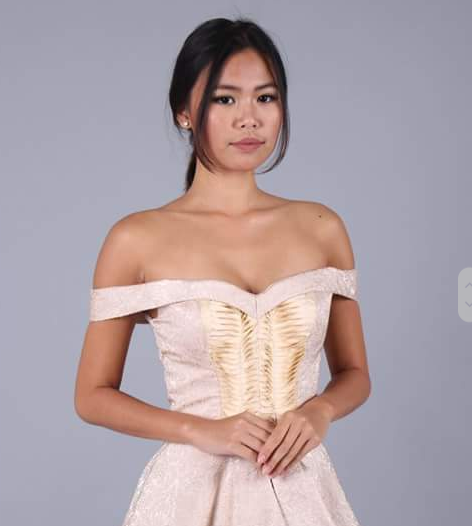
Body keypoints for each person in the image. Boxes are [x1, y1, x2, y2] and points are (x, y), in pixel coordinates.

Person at [74, 16, 370, 526]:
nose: (249, 119)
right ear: (184, 113)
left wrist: (318, 411)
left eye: (266, 97)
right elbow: (91, 395)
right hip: (189, 498)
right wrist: (199, 430)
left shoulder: (322, 228)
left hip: (301, 490)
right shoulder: (135, 239)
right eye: (224, 99)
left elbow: (355, 374)